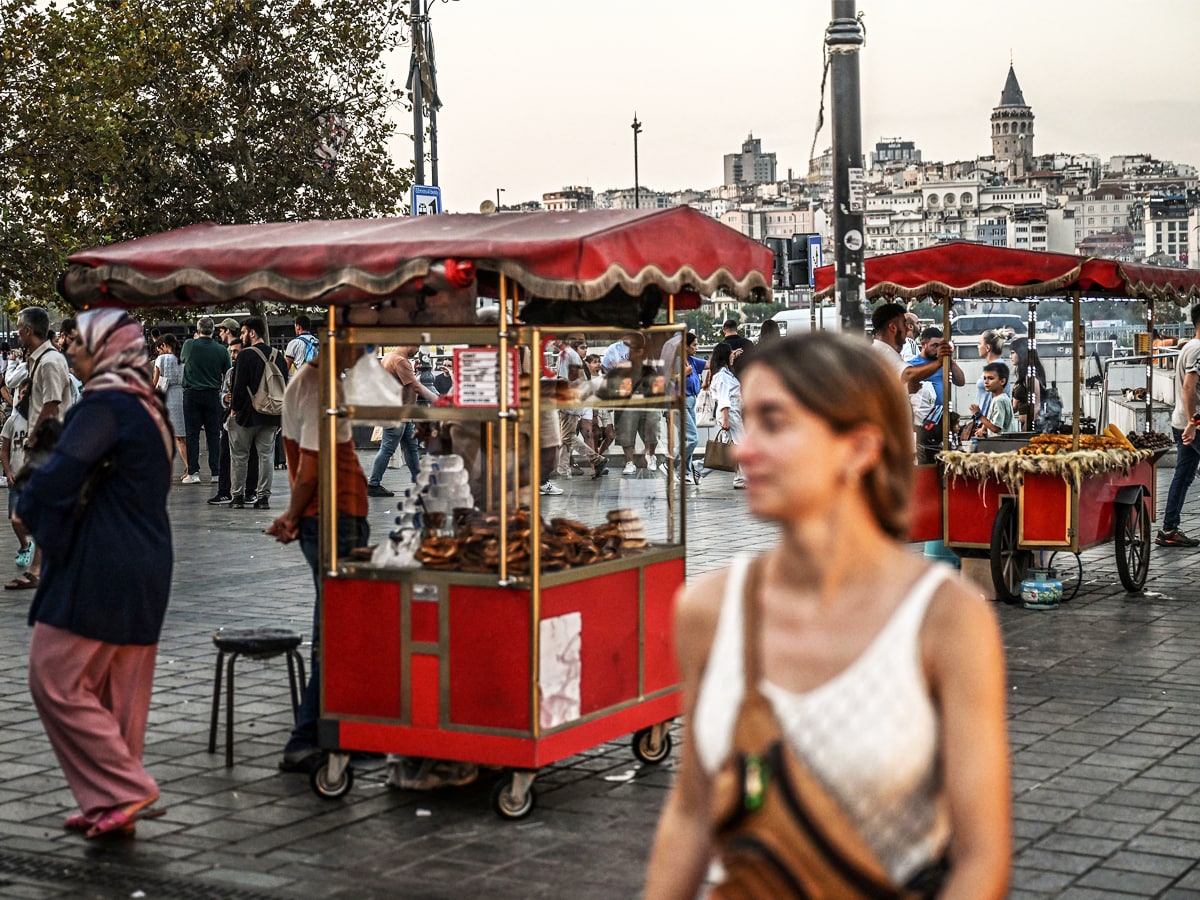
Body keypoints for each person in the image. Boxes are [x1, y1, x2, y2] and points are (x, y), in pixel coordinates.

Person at [644, 332, 1010, 898]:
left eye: (775, 422)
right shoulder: (706, 611)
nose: (744, 448)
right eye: (749, 420)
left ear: (860, 447)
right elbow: (692, 813)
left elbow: (981, 857)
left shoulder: (946, 621)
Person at [20, 309, 174, 839]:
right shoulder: (148, 405)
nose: (72, 349)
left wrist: (27, 506)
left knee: (54, 675)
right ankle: (114, 806)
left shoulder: (106, 405)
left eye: (80, 342)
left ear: (107, 348)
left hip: (102, 562)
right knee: (119, 693)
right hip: (148, 561)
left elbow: (58, 474)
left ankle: (125, 789)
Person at [266, 343, 369, 774]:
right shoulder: (318, 386)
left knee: (338, 626)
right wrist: (293, 514)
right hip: (331, 517)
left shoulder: (316, 383)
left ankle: (339, 729)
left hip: (327, 516)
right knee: (336, 630)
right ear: (340, 340)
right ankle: (306, 738)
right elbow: (311, 467)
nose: (364, 352)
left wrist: (296, 515)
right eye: (360, 343)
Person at [229, 317, 287, 509]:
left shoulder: (245, 355)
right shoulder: (278, 355)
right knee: (266, 456)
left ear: (252, 333)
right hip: (271, 415)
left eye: (244, 332)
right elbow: (283, 387)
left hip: (246, 415)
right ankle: (263, 498)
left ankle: (237, 497)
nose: (242, 336)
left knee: (239, 456)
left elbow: (237, 388)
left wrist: (234, 410)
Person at [366, 345, 438, 497]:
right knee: (388, 448)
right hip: (398, 412)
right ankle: (373, 484)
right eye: (417, 346)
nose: (418, 350)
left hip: (400, 411)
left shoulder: (388, 357)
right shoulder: (400, 362)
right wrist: (437, 400)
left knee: (411, 447)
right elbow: (416, 386)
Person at [1158, 304, 1200, 548]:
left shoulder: (1189, 347)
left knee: (1183, 476)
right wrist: (1194, 421)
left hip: (1183, 422)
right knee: (1183, 476)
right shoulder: (1198, 350)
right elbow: (1188, 387)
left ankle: (1168, 529)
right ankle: (1169, 528)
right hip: (1192, 425)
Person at [181, 316, 231, 485]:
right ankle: (216, 472)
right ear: (214, 330)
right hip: (212, 394)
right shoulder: (222, 350)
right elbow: (227, 373)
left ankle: (193, 472)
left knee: (192, 434)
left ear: (198, 329)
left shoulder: (189, 345)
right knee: (213, 434)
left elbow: (183, 359)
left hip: (192, 394)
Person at [555, 334, 607, 479]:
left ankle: (597, 459)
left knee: (568, 436)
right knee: (566, 435)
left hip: (568, 400)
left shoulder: (565, 354)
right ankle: (563, 469)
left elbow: (562, 379)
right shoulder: (574, 355)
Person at [870, 302, 951, 392]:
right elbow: (908, 375)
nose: (908, 329)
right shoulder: (883, 351)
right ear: (893, 327)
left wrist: (904, 388)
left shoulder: (882, 350)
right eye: (904, 324)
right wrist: (939, 362)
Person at [0, 379, 31, 571]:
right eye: (20, 392)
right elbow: (4, 450)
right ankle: (25, 545)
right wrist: (8, 471)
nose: (22, 396)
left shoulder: (40, 419)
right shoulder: (13, 421)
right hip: (16, 477)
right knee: (14, 517)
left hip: (34, 478)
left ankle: (32, 547)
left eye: (26, 392)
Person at [706, 342, 745, 489]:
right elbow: (724, 399)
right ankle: (741, 478)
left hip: (731, 412)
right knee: (739, 444)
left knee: (725, 448)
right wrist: (726, 420)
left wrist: (732, 354)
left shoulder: (723, 373)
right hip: (730, 413)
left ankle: (698, 469)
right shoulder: (722, 376)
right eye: (730, 355)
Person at [907, 326, 965, 409]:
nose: (938, 349)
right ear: (924, 344)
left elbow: (960, 382)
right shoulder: (912, 365)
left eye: (940, 346)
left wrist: (950, 360)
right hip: (921, 416)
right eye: (935, 345)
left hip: (942, 415)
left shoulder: (944, 363)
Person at [152, 334, 188, 467]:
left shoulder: (160, 359)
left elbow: (155, 382)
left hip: (166, 397)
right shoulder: (182, 358)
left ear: (163, 345)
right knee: (181, 437)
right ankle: (189, 467)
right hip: (181, 395)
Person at [1008, 337, 1045, 431]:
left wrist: (1027, 426)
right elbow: (1015, 407)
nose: (1010, 356)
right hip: (1026, 424)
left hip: (1032, 426)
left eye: (1012, 353)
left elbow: (1036, 405)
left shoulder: (1030, 377)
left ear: (1021, 353)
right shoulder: (1024, 376)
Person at [971, 362, 1017, 437]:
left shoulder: (999, 400)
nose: (986, 382)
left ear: (1002, 381)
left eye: (990, 378)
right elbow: (991, 419)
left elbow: (996, 428)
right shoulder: (1000, 398)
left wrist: (978, 415)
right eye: (985, 378)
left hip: (1002, 444)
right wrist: (982, 429)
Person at [975, 329, 1010, 416]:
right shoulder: (996, 366)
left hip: (988, 422)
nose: (977, 346)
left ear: (988, 347)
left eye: (980, 343)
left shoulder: (997, 368)